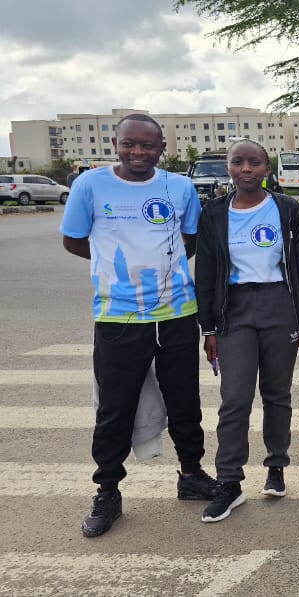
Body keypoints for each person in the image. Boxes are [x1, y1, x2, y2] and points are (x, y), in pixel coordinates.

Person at [60, 113, 220, 538]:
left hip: (176, 313)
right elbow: (73, 240)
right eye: (129, 143)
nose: (138, 152)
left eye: (148, 145)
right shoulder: (90, 185)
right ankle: (108, 490)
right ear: (115, 144)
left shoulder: (179, 187)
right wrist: (117, 267)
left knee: (184, 400)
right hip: (118, 315)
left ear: (162, 148)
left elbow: (190, 239)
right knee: (115, 406)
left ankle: (191, 474)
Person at [194, 139, 299, 523]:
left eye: (255, 162)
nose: (247, 169)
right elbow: (206, 272)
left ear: (267, 168)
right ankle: (229, 482)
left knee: (277, 393)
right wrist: (208, 328)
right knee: (234, 398)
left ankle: (276, 467)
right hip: (234, 310)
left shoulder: (287, 209)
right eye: (238, 162)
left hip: (279, 305)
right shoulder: (214, 213)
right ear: (228, 167)